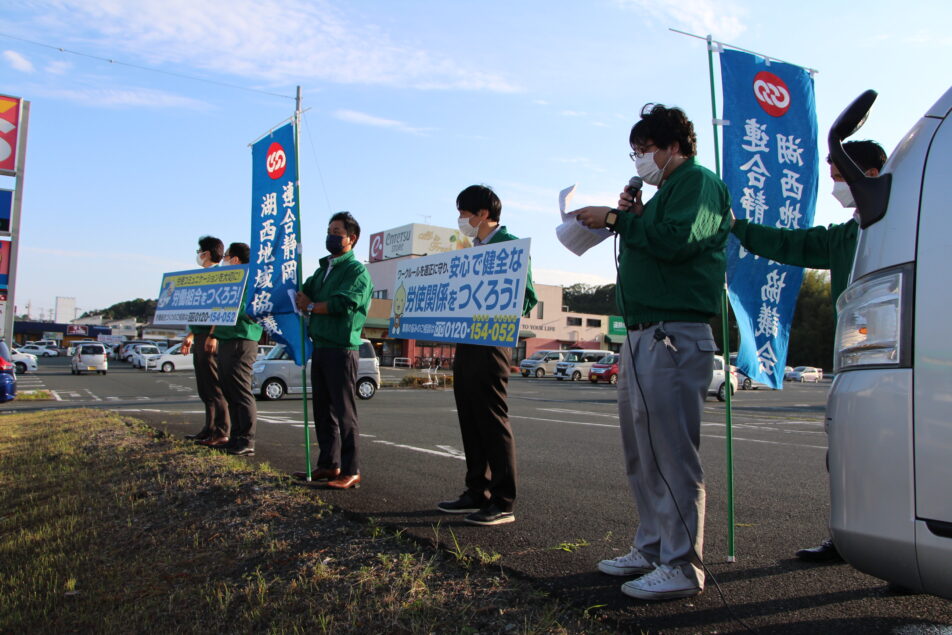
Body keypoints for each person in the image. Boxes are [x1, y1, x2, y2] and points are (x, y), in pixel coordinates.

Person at [574, 104, 731, 600]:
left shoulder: (698, 184)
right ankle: (652, 546)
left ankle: (683, 564)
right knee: (642, 452)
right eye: (636, 152)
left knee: (671, 452)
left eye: (645, 150)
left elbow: (680, 240)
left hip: (674, 333)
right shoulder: (662, 195)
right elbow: (657, 235)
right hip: (643, 334)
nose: (640, 159)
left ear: (673, 147)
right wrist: (633, 216)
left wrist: (620, 218)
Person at [730, 139, 887, 562]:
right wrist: (738, 227)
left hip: (900, 365)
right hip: (854, 363)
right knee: (845, 455)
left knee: (898, 456)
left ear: (870, 176)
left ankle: (900, 550)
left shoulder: (907, 224)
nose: (835, 183)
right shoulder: (844, 236)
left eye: (839, 175)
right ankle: (846, 536)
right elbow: (791, 244)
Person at [436, 185, 537, 527]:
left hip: (492, 340)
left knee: (492, 419)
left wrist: (499, 307)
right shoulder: (468, 248)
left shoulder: (509, 246)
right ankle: (476, 489)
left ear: (482, 214)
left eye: (463, 213)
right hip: (466, 339)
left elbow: (528, 296)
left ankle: (503, 500)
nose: (460, 220)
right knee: (468, 414)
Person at [294, 212, 373, 490]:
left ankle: (351, 470)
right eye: (329, 230)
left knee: (344, 412)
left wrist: (313, 306)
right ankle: (329, 463)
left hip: (342, 349)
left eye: (336, 231)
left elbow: (342, 304)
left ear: (351, 238)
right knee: (323, 410)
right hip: (321, 347)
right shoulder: (323, 270)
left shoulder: (356, 272)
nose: (331, 235)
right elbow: (303, 294)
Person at [202, 242, 262, 456]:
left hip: (242, 339)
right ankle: (235, 437)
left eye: (227, 256)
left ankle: (247, 440)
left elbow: (247, 309)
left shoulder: (249, 280)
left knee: (240, 390)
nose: (224, 260)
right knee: (228, 388)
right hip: (227, 339)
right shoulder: (231, 281)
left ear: (235, 260)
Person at [181, 236, 230, 443]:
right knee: (204, 386)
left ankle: (221, 431)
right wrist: (191, 335)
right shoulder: (201, 277)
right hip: (200, 335)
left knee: (213, 384)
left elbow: (221, 309)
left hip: (211, 337)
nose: (198, 255)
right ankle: (209, 427)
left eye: (200, 251)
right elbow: (200, 311)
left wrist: (213, 334)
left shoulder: (220, 276)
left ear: (207, 253)